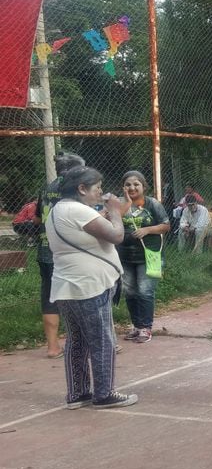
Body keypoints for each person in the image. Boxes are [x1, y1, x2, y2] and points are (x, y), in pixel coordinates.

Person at [46, 166, 137, 408]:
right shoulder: (77, 210)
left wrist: (108, 213)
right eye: (96, 188)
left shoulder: (59, 210)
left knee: (77, 341)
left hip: (67, 285)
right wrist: (115, 211)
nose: (100, 192)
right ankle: (104, 393)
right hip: (89, 285)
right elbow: (116, 235)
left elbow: (92, 233)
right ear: (81, 189)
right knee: (102, 340)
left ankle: (78, 393)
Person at [33, 151, 86, 358]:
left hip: (46, 249)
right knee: (82, 295)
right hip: (68, 251)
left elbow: (37, 220)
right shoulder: (75, 189)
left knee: (49, 297)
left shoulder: (47, 188)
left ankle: (53, 347)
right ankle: (89, 341)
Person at [117, 171, 170, 344]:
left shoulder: (152, 204)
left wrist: (147, 230)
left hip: (149, 255)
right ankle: (136, 325)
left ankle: (146, 327)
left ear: (143, 186)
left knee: (145, 291)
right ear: (123, 187)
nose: (132, 187)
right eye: (128, 184)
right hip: (124, 256)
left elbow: (166, 225)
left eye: (136, 184)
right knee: (130, 292)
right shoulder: (119, 204)